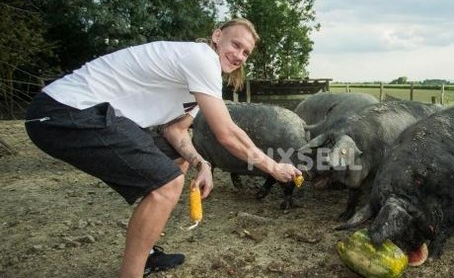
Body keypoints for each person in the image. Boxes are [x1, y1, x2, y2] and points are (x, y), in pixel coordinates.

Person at [24, 18, 302, 278]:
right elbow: (227, 133)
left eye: (246, 53)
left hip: (88, 115)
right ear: (217, 36)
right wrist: (274, 167)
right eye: (235, 44)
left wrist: (201, 163)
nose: (239, 55)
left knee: (176, 160)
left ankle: (146, 252)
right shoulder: (201, 58)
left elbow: (175, 131)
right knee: (168, 184)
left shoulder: (199, 81)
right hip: (64, 112)